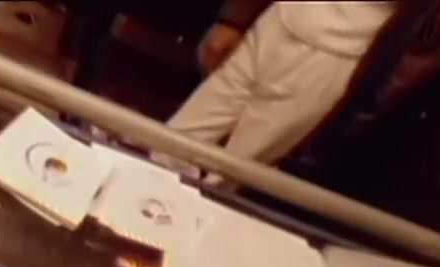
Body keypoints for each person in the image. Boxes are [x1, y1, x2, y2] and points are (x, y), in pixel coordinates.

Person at [165, 1, 398, 167]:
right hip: (279, 20)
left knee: (235, 169)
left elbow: (413, 45)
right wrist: (233, 20)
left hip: (340, 56)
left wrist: (362, 110)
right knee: (175, 139)